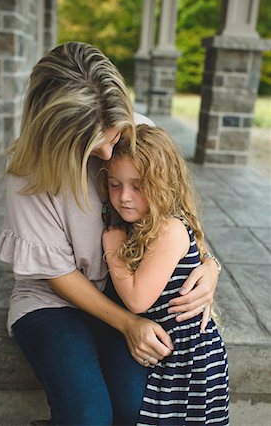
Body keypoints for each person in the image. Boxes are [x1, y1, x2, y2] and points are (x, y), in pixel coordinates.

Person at [0, 41, 220, 426]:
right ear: (55, 132)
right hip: (54, 300)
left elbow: (172, 211)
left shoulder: (138, 132)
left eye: (113, 137)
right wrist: (128, 324)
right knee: (88, 414)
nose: (105, 152)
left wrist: (209, 265)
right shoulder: (28, 172)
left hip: (128, 292)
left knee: (136, 407)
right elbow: (57, 273)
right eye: (89, 142)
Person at [102, 124, 229, 425]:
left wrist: (113, 248)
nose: (124, 197)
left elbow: (137, 300)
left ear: (164, 184)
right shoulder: (145, 224)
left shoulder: (169, 229)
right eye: (114, 184)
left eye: (138, 185)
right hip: (170, 351)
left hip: (190, 357)